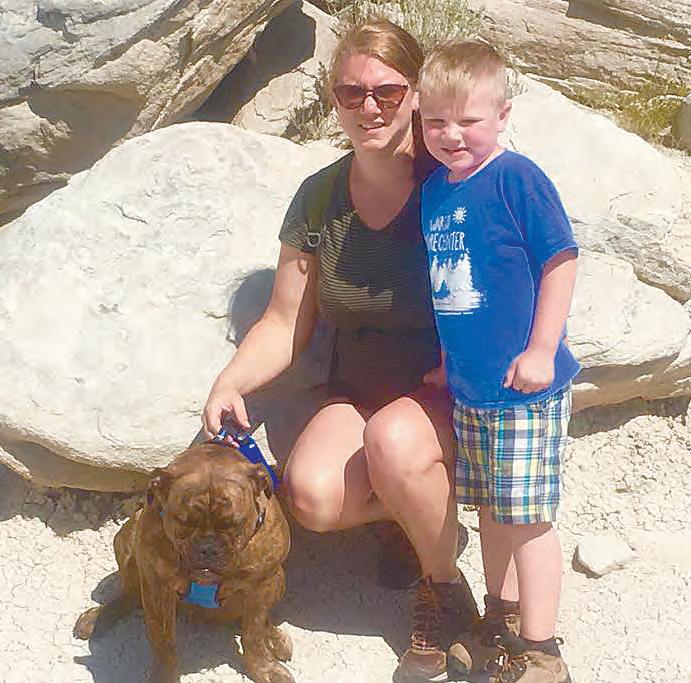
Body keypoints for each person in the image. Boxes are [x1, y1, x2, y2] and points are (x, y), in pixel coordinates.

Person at [202, 18, 478, 683]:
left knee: (393, 441)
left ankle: (445, 589)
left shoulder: (451, 184)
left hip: (449, 395)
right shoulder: (321, 197)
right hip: (362, 393)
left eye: (387, 91)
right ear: (334, 99)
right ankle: (416, 516)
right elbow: (284, 320)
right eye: (351, 93)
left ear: (416, 93)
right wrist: (229, 382)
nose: (368, 107)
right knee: (311, 495)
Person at [416, 41, 580, 683]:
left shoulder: (517, 178)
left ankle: (542, 651)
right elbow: (448, 287)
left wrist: (541, 349)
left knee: (528, 519)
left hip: (524, 390)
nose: (451, 134)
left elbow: (560, 260)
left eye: (469, 120)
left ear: (502, 115)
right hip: (472, 388)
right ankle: (502, 619)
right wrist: (444, 361)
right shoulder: (435, 191)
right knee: (490, 510)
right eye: (436, 121)